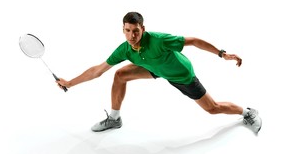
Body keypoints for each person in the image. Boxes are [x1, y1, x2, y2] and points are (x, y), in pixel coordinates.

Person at [56, 12, 262, 134]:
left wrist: (221, 53)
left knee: (213, 108)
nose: (132, 35)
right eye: (127, 30)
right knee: (120, 75)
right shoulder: (124, 49)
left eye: (135, 30)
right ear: (123, 29)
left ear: (143, 28)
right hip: (153, 67)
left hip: (180, 75)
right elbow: (97, 70)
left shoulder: (159, 40)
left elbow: (192, 41)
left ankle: (247, 113)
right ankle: (114, 118)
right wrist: (70, 83)